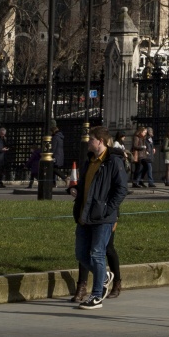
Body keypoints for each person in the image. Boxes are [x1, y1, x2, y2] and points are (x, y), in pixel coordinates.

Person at [72, 127, 127, 310]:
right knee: (81, 254)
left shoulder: (113, 161)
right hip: (85, 214)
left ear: (100, 142)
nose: (88, 142)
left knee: (97, 253)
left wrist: (107, 209)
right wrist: (74, 190)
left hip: (102, 217)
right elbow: (85, 184)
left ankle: (96, 296)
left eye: (91, 140)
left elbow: (121, 189)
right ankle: (103, 276)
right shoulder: (90, 160)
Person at [50, 123, 67, 187]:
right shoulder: (60, 137)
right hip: (59, 155)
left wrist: (50, 154)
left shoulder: (55, 137)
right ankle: (53, 183)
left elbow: (53, 148)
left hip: (55, 156)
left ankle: (64, 178)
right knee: (53, 169)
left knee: (53, 169)